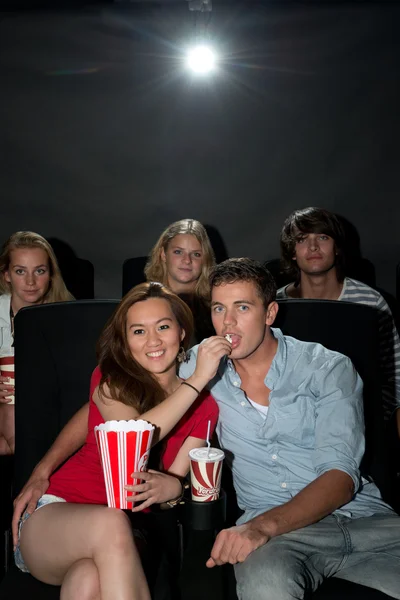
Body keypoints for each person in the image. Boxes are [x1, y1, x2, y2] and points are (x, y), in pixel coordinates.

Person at [178, 258, 400, 600]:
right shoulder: (200, 365)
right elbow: (127, 387)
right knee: (265, 584)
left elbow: (340, 477)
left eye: (242, 307)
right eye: (219, 308)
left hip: (366, 522)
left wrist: (259, 528)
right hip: (277, 540)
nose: (228, 322)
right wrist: (196, 380)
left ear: (269, 314)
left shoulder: (327, 368)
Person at [13, 282, 228, 600]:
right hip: (53, 518)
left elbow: (173, 487)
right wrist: (198, 378)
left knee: (87, 583)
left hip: (127, 534)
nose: (153, 340)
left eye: (163, 327)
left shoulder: (206, 407)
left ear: (182, 332)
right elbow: (132, 437)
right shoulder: (110, 382)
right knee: (111, 523)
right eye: (138, 331)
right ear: (126, 342)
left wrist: (173, 490)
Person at [277, 206, 400, 437]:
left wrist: (374, 424)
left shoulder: (371, 302)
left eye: (323, 237)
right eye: (302, 239)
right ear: (292, 251)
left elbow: (395, 373)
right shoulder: (274, 305)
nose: (313, 247)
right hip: (292, 429)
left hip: (361, 424)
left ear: (337, 248)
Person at [0, 231, 74, 455]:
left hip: (49, 408)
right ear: (6, 275)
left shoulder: (69, 315)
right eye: (20, 271)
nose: (30, 282)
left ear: (51, 274)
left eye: (39, 271)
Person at [144, 218, 216, 342]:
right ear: (163, 254)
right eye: (178, 252)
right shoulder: (141, 303)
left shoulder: (217, 307)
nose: (187, 260)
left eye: (196, 254)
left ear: (205, 260)